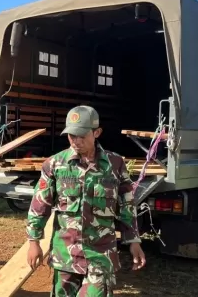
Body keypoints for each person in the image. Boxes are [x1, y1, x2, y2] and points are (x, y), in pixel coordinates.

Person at [26, 105, 146, 297]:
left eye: (82, 135)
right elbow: (40, 205)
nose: (76, 141)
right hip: (65, 252)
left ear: (97, 132)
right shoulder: (55, 164)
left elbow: (126, 206)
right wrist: (34, 241)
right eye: (72, 136)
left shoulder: (115, 164)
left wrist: (133, 241)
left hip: (100, 253)